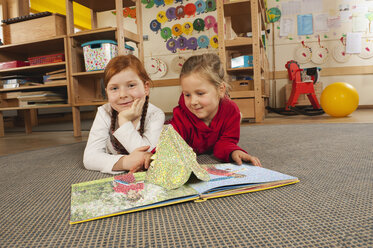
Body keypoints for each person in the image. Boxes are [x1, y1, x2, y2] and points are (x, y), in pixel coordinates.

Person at [168, 53, 261, 167]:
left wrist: (234, 152)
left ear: (221, 90)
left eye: (200, 93)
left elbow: (226, 142)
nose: (193, 102)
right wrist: (153, 155)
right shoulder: (181, 115)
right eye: (187, 95)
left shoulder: (231, 111)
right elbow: (170, 143)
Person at [83, 55, 165, 174]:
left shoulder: (155, 114)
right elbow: (90, 158)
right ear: (107, 92)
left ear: (146, 88)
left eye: (131, 85)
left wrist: (124, 120)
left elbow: (147, 157)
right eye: (114, 88)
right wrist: (125, 162)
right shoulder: (103, 112)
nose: (122, 94)